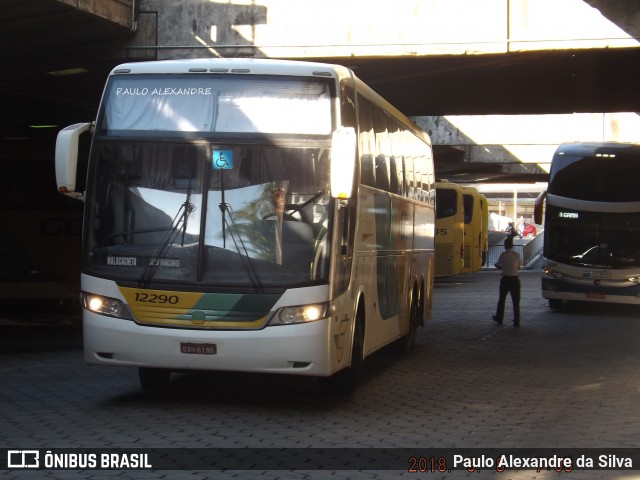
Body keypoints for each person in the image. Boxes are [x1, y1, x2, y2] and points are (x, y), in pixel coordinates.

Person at [492, 236, 522, 326]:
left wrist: (495, 265)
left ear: (505, 246)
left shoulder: (503, 255)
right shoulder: (517, 255)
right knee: (516, 301)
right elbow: (518, 266)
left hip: (505, 279)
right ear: (512, 246)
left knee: (502, 299)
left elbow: (499, 266)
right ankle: (517, 320)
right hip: (515, 280)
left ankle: (499, 317)